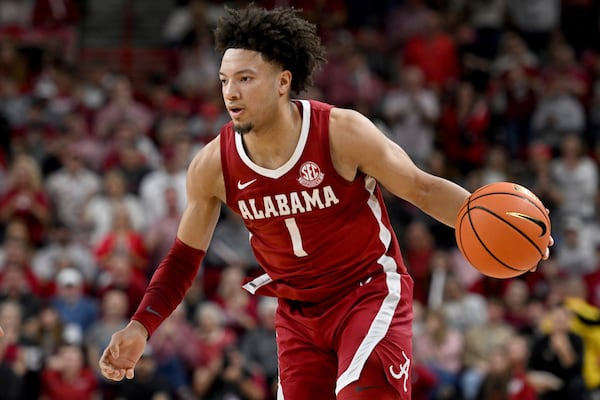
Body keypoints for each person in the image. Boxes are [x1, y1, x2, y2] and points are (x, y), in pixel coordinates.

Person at [99, 5, 552, 399]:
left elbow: (422, 187)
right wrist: (141, 326)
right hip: (296, 315)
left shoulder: (341, 132)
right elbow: (183, 258)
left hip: (367, 292)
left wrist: (507, 230)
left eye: (244, 78)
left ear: (282, 81)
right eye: (224, 80)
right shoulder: (212, 165)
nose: (230, 92)